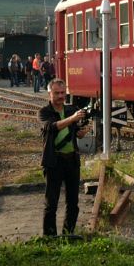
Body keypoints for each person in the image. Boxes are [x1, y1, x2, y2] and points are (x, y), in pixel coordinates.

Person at [39, 79, 89, 236]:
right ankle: (50, 236)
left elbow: (75, 132)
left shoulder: (70, 109)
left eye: (63, 93)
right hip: (54, 161)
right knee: (51, 203)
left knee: (73, 202)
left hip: (71, 160)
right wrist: (73, 119)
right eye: (57, 93)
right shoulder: (44, 112)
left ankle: (68, 233)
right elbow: (51, 127)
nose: (61, 96)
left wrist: (81, 132)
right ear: (50, 94)